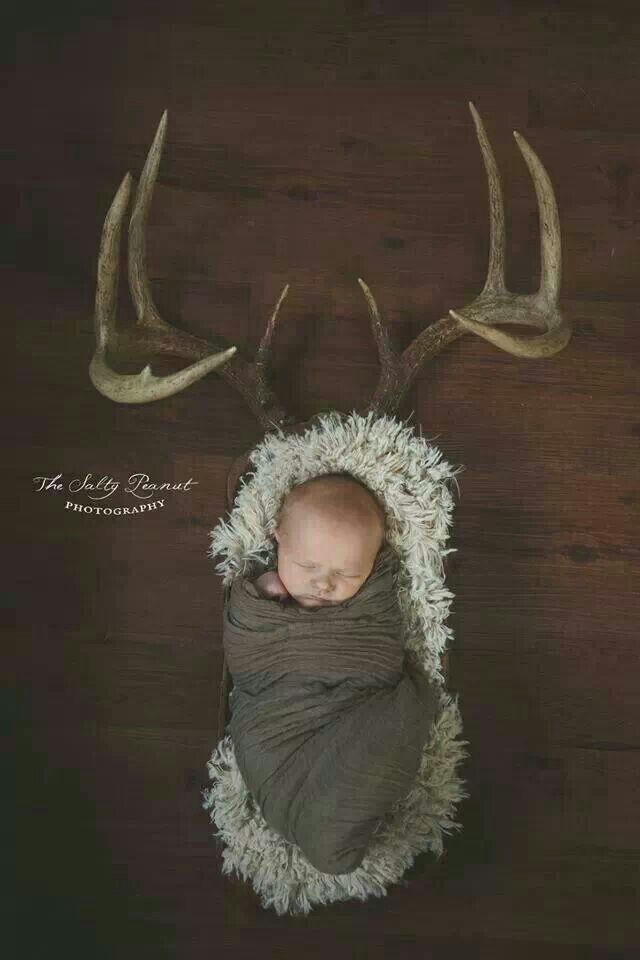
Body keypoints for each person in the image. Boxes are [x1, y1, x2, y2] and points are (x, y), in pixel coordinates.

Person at [252, 473, 386, 609]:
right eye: (306, 566)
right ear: (278, 540)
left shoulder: (378, 594)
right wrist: (260, 591)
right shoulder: (263, 580)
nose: (323, 585)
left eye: (347, 574)